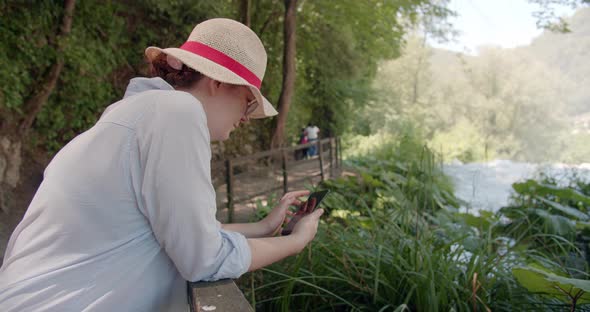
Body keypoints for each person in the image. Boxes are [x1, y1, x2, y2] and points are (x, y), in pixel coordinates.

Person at [0, 18, 323, 311]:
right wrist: (294, 242)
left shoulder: (138, 113)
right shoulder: (178, 113)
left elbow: (176, 232)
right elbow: (205, 259)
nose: (246, 118)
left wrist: (265, 227)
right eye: (249, 101)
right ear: (219, 82)